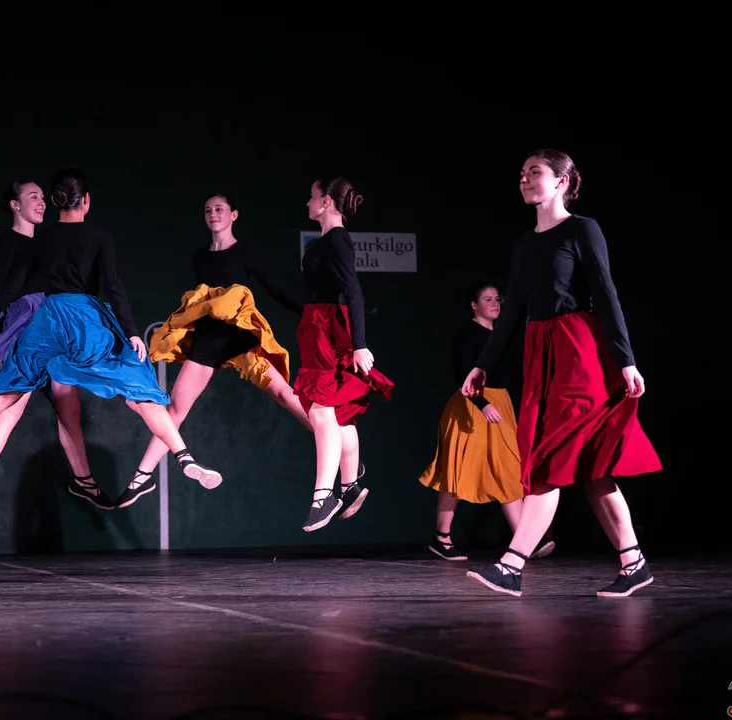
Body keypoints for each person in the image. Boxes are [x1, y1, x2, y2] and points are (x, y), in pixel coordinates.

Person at [0, 168, 223, 502]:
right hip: (85, 319)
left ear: (55, 202)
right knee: (138, 386)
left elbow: (10, 288)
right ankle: (184, 457)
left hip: (48, 320)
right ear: (86, 201)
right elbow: (114, 287)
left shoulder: (41, 240)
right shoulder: (99, 236)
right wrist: (131, 333)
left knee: (8, 387)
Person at [463, 149, 662, 598]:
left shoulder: (582, 229)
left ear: (562, 181)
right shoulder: (524, 243)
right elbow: (513, 310)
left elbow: (605, 294)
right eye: (521, 173)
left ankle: (512, 565)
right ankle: (634, 563)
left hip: (580, 354)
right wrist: (482, 364)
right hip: (542, 355)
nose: (524, 179)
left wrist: (626, 359)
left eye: (535, 172)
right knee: (592, 470)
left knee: (552, 460)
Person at [117, 192, 311, 508]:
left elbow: (275, 289)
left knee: (285, 395)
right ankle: (141, 478)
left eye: (219, 209)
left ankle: (339, 450)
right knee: (174, 411)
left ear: (234, 215)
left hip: (240, 341)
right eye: (208, 210)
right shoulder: (200, 257)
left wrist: (307, 312)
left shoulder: (245, 252)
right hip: (208, 343)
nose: (213, 214)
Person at [0, 181, 99, 509]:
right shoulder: (8, 242)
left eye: (43, 197)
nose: (41, 202)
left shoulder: (47, 243)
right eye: (33, 197)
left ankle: (85, 482)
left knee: (67, 405)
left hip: (53, 322)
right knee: (14, 398)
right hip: (24, 320)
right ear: (15, 205)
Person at [418, 283, 554, 561]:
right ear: (474, 305)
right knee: (457, 472)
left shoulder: (501, 336)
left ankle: (523, 540)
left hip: (500, 404)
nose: (494, 303)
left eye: (497, 299)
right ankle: (442, 538)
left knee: (507, 468)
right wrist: (482, 403)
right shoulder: (468, 334)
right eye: (487, 299)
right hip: (472, 406)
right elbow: (463, 375)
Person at [295, 174, 394, 532]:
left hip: (329, 329)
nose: (308, 202)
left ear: (326, 202)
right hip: (317, 324)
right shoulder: (327, 241)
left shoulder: (337, 238)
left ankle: (324, 496)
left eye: (312, 196)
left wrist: (359, 344)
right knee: (337, 413)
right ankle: (350, 485)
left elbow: (353, 291)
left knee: (322, 408)